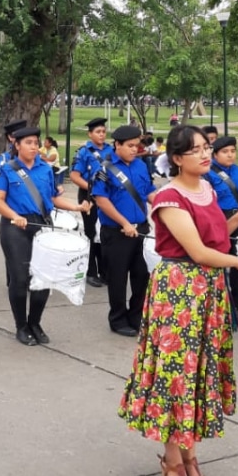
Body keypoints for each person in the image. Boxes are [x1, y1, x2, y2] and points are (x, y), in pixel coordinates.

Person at [119, 125, 238, 476]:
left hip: (208, 289)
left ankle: (188, 455)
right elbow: (197, 251)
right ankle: (174, 460)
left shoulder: (207, 188)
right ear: (177, 159)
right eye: (196, 150)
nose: (205, 154)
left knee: (197, 371)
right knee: (176, 372)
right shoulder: (169, 197)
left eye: (206, 147)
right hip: (180, 292)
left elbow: (217, 236)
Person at [0, 126, 92, 346]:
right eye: (28, 143)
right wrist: (15, 216)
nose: (34, 147)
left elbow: (52, 199)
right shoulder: (6, 169)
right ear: (17, 145)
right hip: (15, 227)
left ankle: (35, 323)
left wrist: (76, 207)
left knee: (44, 277)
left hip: (42, 225)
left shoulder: (45, 169)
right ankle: (21, 326)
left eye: (36, 143)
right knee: (20, 278)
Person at [91, 126, 158, 337]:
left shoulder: (141, 165)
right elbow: (101, 200)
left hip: (141, 230)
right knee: (118, 278)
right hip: (117, 232)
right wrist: (124, 223)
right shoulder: (104, 169)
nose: (134, 150)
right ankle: (118, 319)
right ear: (117, 145)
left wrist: (164, 207)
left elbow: (149, 192)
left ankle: (136, 316)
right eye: (129, 146)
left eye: (136, 146)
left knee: (142, 276)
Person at [203, 136, 238, 328]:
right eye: (225, 152)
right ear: (215, 155)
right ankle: (219, 308)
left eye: (233, 151)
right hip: (221, 219)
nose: (230, 155)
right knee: (219, 262)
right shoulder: (208, 174)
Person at [69, 118, 111, 288]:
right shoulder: (84, 152)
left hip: (108, 197)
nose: (101, 135)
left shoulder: (111, 150)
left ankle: (105, 271)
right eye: (98, 132)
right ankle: (91, 272)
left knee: (106, 233)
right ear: (90, 134)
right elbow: (74, 176)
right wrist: (93, 189)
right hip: (89, 196)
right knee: (91, 234)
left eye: (103, 131)